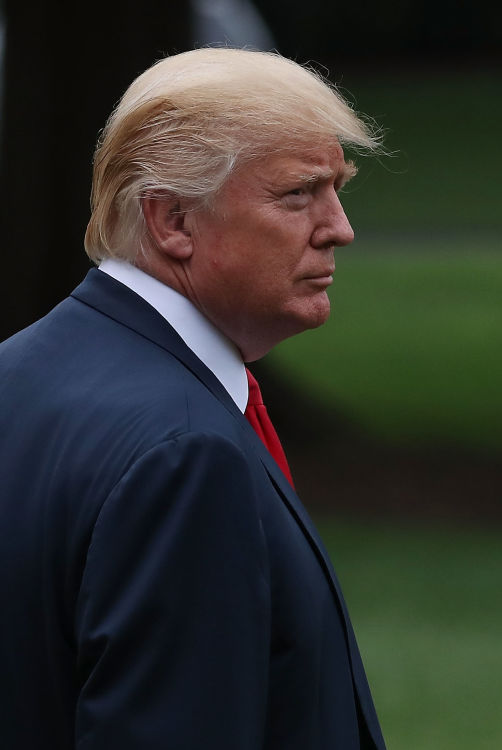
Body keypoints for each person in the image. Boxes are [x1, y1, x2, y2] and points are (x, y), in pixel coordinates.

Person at [0, 49, 387, 749]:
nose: (339, 227)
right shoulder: (187, 453)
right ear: (173, 220)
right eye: (298, 194)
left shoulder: (18, 372)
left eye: (337, 188)